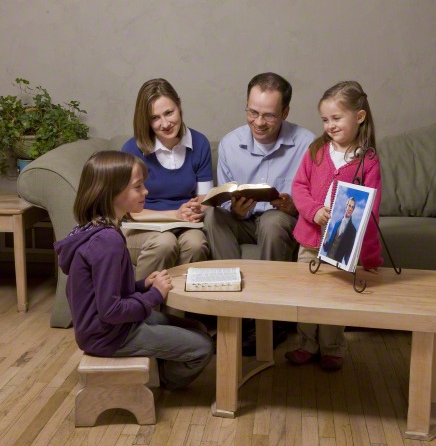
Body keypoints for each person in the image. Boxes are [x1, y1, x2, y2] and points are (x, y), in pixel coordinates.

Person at [54, 151, 213, 390]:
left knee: (197, 328)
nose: (146, 192)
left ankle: (157, 359)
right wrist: (155, 295)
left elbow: (106, 292)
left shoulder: (98, 228)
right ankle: (160, 380)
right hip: (109, 335)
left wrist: (142, 286)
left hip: (110, 327)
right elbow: (111, 310)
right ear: (113, 192)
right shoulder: (107, 241)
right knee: (203, 347)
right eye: (138, 187)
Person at [203, 72, 315, 354]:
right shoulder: (230, 143)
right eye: (252, 112)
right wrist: (234, 210)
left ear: (285, 112)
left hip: (281, 221)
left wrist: (295, 207)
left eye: (269, 115)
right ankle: (233, 311)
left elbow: (316, 199)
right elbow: (224, 198)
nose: (259, 122)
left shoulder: (307, 144)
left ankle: (270, 319)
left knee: (273, 221)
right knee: (213, 216)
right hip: (244, 221)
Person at [285, 81, 383, 371]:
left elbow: (370, 212)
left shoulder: (368, 161)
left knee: (333, 298)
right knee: (307, 295)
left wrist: (370, 257)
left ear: (359, 117)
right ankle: (306, 344)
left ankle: (332, 347)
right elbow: (299, 186)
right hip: (309, 241)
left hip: (342, 245)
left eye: (336, 118)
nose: (330, 125)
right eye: (325, 119)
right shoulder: (316, 150)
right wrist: (314, 211)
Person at [121, 78, 213, 280]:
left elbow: (205, 198)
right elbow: (129, 211)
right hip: (141, 225)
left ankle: (182, 310)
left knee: (196, 244)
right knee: (165, 243)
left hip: (186, 224)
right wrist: (175, 214)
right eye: (155, 118)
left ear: (179, 107)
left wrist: (194, 210)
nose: (165, 124)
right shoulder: (131, 149)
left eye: (169, 113)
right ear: (146, 120)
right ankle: (144, 307)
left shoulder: (200, 143)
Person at [323, 197, 357, 265]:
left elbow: (348, 253)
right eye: (349, 206)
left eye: (352, 207)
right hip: (326, 261)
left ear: (353, 210)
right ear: (345, 206)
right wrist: (324, 239)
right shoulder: (336, 224)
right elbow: (327, 248)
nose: (350, 209)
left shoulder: (353, 230)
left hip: (337, 265)